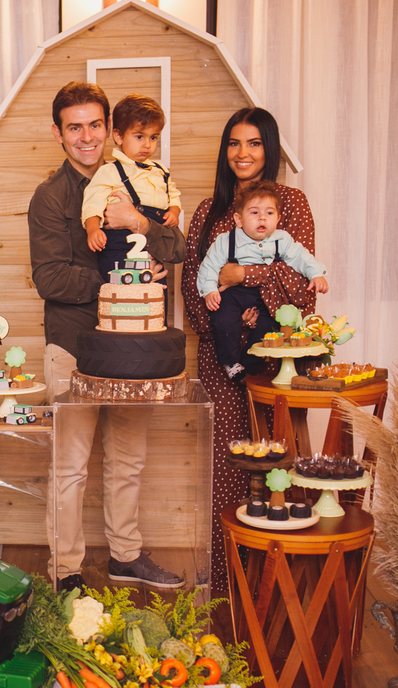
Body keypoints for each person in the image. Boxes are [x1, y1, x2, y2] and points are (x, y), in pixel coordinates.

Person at [29, 81, 188, 592]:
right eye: (74, 127)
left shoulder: (142, 180)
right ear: (58, 134)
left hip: (132, 349)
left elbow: (177, 244)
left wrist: (138, 220)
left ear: (110, 129)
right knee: (70, 466)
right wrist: (129, 282)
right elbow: (51, 279)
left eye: (94, 125)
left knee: (129, 458)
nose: (86, 136)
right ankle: (66, 572)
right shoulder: (51, 197)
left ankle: (125, 554)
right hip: (73, 346)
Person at [180, 108, 318, 590]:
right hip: (222, 359)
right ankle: (226, 583)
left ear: (270, 148)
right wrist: (219, 328)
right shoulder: (209, 210)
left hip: (277, 357)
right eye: (234, 143)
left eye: (254, 143)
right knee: (230, 466)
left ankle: (280, 584)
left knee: (281, 460)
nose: (243, 153)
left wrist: (246, 276)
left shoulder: (292, 205)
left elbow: (303, 290)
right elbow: (191, 286)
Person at [198, 180, 329, 380]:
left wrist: (316, 274)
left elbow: (301, 257)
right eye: (254, 212)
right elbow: (209, 266)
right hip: (234, 293)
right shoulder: (226, 241)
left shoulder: (281, 240)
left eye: (269, 213)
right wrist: (209, 290)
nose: (262, 218)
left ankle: (250, 364)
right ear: (239, 219)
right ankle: (231, 362)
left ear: (278, 218)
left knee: (270, 326)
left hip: (265, 294)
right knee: (223, 319)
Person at [82, 94, 182, 280]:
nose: (147, 144)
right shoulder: (109, 172)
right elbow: (92, 203)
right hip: (119, 248)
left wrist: (174, 211)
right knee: (122, 301)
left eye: (153, 137)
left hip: (154, 249)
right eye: (139, 136)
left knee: (153, 299)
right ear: (118, 136)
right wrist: (93, 229)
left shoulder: (160, 171)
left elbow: (173, 194)